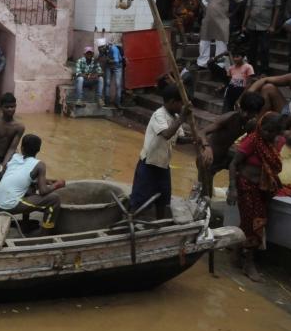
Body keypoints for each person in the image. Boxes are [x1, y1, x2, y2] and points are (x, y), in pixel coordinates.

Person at [228, 112, 285, 282]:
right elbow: (233, 163)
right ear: (261, 127)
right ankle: (249, 263)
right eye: (267, 130)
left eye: (273, 132)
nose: (269, 134)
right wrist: (232, 188)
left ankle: (237, 255)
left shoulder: (272, 143)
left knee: (251, 221)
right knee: (255, 223)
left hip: (262, 189)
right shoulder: (253, 140)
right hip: (245, 185)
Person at [130, 86, 190, 220]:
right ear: (172, 102)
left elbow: (179, 139)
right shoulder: (159, 115)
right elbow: (167, 134)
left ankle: (160, 224)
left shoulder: (174, 117)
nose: (182, 106)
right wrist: (181, 118)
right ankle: (131, 223)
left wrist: (195, 140)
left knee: (163, 200)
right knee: (139, 198)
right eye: (180, 103)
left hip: (163, 165)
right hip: (149, 163)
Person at [0, 134, 65, 236]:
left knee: (30, 186)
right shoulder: (39, 165)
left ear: (22, 148)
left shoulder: (14, 157)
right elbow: (43, 191)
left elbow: (18, 176)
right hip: (9, 205)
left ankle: (25, 224)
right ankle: (45, 233)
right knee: (54, 199)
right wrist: (57, 184)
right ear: (38, 150)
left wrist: (46, 181)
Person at [195, 91, 264, 197]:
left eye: (250, 112)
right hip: (208, 158)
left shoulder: (252, 124)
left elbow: (251, 144)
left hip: (225, 157)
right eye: (243, 111)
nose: (245, 115)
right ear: (240, 107)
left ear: (256, 113)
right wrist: (206, 147)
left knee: (248, 166)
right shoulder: (228, 118)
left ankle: (237, 193)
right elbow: (201, 132)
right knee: (205, 195)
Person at [196, 0, 243, 67]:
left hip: (222, 20)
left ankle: (219, 64)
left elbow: (240, 1)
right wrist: (204, 8)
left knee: (221, 42)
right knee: (204, 41)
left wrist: (232, 13)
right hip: (208, 20)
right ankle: (202, 63)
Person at [241, 0, 280, 74]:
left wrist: (273, 26)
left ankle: (264, 71)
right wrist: (243, 24)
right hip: (252, 25)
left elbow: (276, 11)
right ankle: (251, 70)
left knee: (264, 49)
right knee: (251, 49)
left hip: (265, 26)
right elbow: (248, 9)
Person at [97, 36, 125, 107]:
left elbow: (116, 61)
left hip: (117, 66)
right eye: (99, 49)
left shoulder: (113, 49)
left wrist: (108, 60)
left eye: (100, 49)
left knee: (118, 84)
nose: (100, 51)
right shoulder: (103, 50)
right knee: (107, 83)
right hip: (109, 66)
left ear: (104, 46)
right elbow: (100, 57)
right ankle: (107, 101)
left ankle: (118, 102)